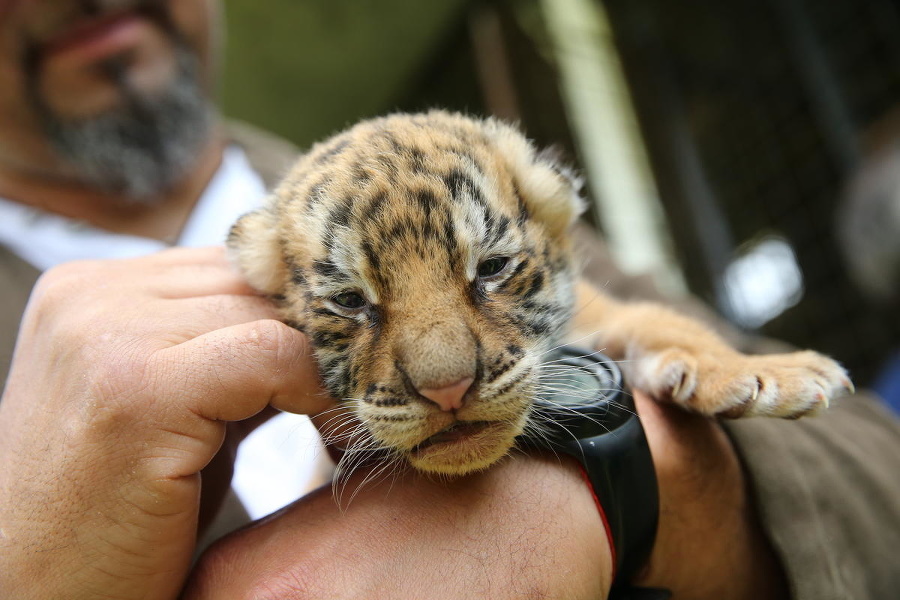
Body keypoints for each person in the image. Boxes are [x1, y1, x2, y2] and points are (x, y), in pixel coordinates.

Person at [0, 2, 898, 600]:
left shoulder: (484, 183)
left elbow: (873, 471)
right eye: (351, 300)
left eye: (492, 276)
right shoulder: (302, 238)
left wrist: (629, 481)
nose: (442, 371)